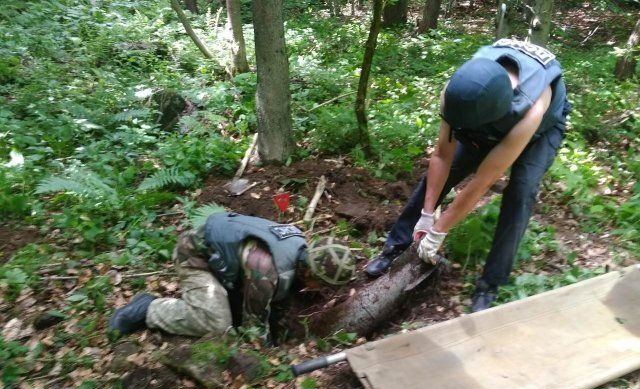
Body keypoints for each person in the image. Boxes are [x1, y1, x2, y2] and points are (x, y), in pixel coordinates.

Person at [364, 39, 572, 312]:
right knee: (443, 175)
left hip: (541, 130)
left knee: (521, 191)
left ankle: (490, 284)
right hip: (483, 114)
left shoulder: (532, 107)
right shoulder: (458, 91)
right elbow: (441, 155)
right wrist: (428, 214)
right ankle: (395, 248)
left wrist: (439, 230)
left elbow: (483, 180)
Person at [109, 211, 355, 337]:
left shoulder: (298, 242)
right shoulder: (267, 271)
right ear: (310, 270)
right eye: (321, 284)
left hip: (226, 262)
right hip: (196, 258)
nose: (320, 291)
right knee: (218, 324)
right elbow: (253, 328)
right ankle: (148, 308)